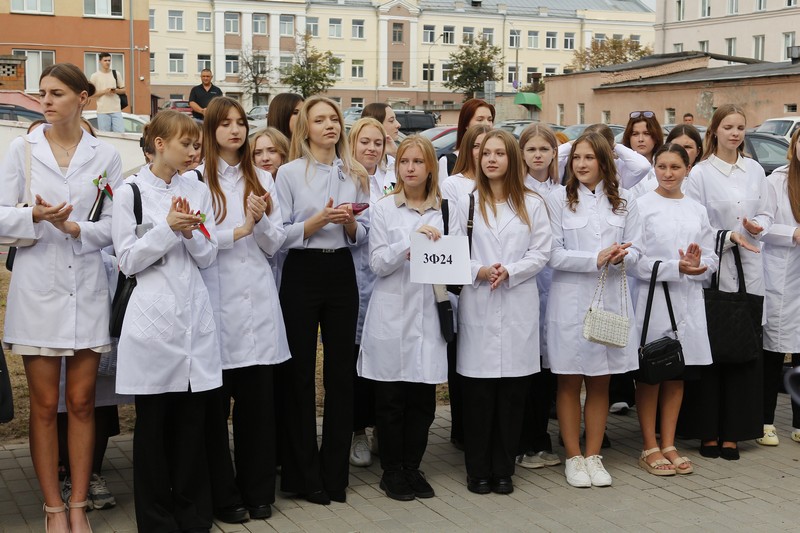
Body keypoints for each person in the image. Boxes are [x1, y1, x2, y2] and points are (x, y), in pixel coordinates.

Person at [0, 62, 122, 533]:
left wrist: (73, 227)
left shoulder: (105, 155)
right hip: (38, 289)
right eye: (43, 93)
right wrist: (34, 216)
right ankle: (53, 507)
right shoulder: (22, 149)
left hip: (87, 285)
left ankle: (78, 504)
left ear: (82, 98)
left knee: (84, 401)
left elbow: (114, 227)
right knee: (46, 404)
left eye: (56, 93)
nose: (46, 102)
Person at [112, 110, 220, 532]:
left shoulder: (197, 189)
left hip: (193, 314)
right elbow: (126, 260)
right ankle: (157, 519)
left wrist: (190, 233)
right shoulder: (130, 192)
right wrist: (168, 229)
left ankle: (192, 513)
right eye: (186, 144)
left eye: (196, 145)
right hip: (151, 320)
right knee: (153, 426)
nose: (194, 151)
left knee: (192, 424)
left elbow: (208, 257)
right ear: (159, 144)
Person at [275, 96, 369, 505]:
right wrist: (314, 223)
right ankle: (302, 475)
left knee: (340, 374)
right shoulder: (289, 173)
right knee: (298, 374)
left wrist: (350, 225)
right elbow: (278, 234)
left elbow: (364, 234)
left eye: (334, 119)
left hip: (341, 271)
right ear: (305, 128)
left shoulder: (355, 172)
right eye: (320, 120)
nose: (329, 125)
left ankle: (335, 475)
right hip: (302, 270)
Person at [198, 97, 289, 521]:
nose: (235, 130)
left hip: (256, 302)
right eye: (225, 123)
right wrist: (240, 229)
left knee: (257, 408)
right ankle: (223, 495)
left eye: (240, 123)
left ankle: (258, 491)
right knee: (214, 412)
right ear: (211, 129)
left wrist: (263, 218)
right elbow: (197, 242)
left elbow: (274, 244)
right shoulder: (196, 179)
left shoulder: (262, 177)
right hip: (214, 301)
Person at [456, 130, 551, 496]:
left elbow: (541, 252)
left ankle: (504, 469)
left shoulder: (533, 203)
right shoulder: (467, 202)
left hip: (517, 302)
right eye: (486, 154)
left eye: (499, 153)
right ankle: (478, 470)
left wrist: (510, 270)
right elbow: (455, 252)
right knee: (479, 396)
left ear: (513, 159)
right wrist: (480, 270)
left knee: (512, 395)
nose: (491, 159)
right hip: (478, 301)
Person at [545, 132, 642, 488]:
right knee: (569, 380)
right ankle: (573, 456)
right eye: (576, 158)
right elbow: (552, 253)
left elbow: (639, 250)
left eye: (589, 158)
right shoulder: (557, 199)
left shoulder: (626, 200)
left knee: (601, 380)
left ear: (604, 161)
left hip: (611, 300)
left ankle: (594, 455)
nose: (582, 164)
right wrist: (594, 258)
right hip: (570, 302)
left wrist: (623, 256)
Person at [358, 135, 450, 501]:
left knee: (423, 399)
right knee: (391, 399)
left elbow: (455, 260)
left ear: (430, 168)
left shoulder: (445, 209)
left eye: (417, 162)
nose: (410, 168)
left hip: (428, 311)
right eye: (404, 162)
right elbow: (377, 263)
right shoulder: (383, 208)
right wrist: (408, 243)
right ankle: (392, 471)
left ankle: (413, 467)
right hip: (392, 312)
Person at [681, 104, 774, 460]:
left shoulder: (755, 170)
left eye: (740, 128)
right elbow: (694, 222)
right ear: (715, 131)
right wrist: (727, 236)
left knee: (743, 349)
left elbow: (766, 211)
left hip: (750, 269)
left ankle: (734, 432)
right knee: (713, 348)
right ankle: (708, 431)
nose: (735, 133)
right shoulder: (700, 174)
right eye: (728, 127)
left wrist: (757, 226)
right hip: (715, 269)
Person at [631, 143, 718, 477]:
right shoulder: (641, 206)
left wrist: (699, 266)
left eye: (675, 167)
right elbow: (635, 260)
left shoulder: (697, 209)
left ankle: (669, 443)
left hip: (687, 300)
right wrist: (673, 267)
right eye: (662, 167)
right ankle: (648, 445)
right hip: (653, 299)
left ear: (688, 169)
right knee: (652, 373)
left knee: (677, 371)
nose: (668, 174)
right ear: (654, 167)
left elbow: (710, 255)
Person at [438, 123, 492, 451]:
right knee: (461, 357)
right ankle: (461, 429)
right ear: (467, 149)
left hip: (497, 281)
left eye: (490, 147)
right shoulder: (453, 184)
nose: (483, 153)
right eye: (477, 146)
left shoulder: (502, 184)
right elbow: (452, 232)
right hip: (465, 281)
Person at [347, 117, 393, 468]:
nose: (372, 148)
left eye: (378, 142)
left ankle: (380, 426)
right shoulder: (344, 178)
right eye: (365, 142)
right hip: (354, 277)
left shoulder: (392, 178)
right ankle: (357, 430)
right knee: (355, 361)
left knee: (385, 356)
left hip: (389, 281)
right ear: (353, 143)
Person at [516, 124, 562, 470]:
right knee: (526, 368)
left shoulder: (562, 192)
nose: (537, 155)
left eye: (544, 149)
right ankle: (523, 441)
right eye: (531, 149)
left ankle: (541, 438)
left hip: (556, 287)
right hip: (524, 286)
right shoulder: (515, 191)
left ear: (554, 153)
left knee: (549, 370)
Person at [759, 127, 800, 446]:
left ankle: (799, 423)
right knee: (773, 352)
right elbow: (762, 226)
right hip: (781, 277)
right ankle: (765, 421)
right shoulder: (777, 181)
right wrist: (793, 233)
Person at [438, 99, 495, 178]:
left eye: (490, 119)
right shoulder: (448, 161)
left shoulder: (498, 158)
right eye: (480, 119)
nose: (487, 124)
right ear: (466, 124)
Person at [89, 52, 125, 133]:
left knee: (120, 134)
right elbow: (91, 94)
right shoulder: (94, 76)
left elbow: (123, 90)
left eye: (109, 60)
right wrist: (104, 91)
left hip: (116, 109)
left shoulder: (116, 74)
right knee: (105, 136)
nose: (107, 62)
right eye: (105, 60)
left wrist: (115, 90)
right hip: (102, 111)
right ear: (100, 61)